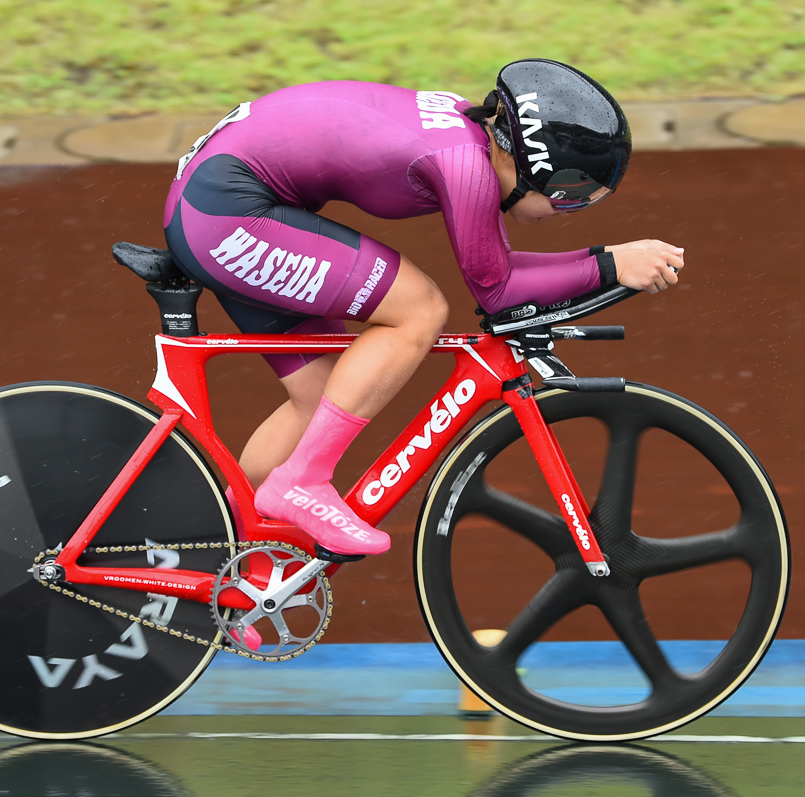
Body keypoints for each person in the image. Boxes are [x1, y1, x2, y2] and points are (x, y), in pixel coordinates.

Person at [162, 58, 684, 559]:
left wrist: (605, 261)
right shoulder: (464, 166)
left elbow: (493, 266)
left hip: (216, 204)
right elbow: (497, 290)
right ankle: (302, 480)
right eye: (571, 193)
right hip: (226, 213)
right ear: (533, 167)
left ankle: (221, 560)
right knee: (419, 310)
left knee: (318, 395)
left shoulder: (473, 140)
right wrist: (610, 265)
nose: (567, 210)